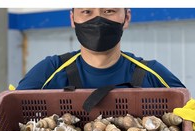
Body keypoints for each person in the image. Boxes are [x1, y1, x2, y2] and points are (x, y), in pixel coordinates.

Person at [16, 8, 185, 90]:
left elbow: (188, 115)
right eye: (87, 12)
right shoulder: (49, 71)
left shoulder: (152, 74)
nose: (98, 20)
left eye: (109, 11)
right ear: (73, 19)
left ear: (126, 18)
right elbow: (11, 111)